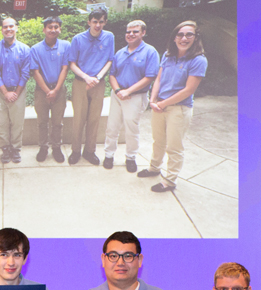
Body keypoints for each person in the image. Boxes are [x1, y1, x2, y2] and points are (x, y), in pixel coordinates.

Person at [139, 20, 207, 193]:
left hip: (179, 109)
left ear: (195, 37)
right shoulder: (168, 55)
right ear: (175, 37)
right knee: (158, 141)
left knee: (174, 147)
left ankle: (170, 181)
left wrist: (162, 103)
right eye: (180, 34)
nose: (184, 38)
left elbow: (188, 90)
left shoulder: (198, 60)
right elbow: (159, 79)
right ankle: (154, 168)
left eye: (189, 34)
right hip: (159, 106)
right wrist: (153, 99)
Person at [103, 20, 159, 173]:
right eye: (128, 31)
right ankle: (108, 155)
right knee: (112, 127)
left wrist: (128, 91)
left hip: (135, 97)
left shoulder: (150, 52)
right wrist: (118, 91)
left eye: (135, 31)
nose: (131, 34)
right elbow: (112, 75)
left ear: (143, 33)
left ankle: (131, 157)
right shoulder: (120, 52)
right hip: (118, 95)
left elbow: (150, 76)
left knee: (131, 129)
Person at [67, 9, 114, 166]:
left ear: (105, 22)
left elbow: (109, 60)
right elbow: (72, 63)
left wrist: (98, 77)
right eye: (95, 21)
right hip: (81, 83)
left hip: (98, 84)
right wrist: (86, 77)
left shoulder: (109, 37)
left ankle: (89, 151)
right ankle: (75, 151)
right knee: (78, 119)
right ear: (89, 22)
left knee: (94, 119)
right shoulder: (78, 39)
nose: (98, 25)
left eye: (101, 21)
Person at [0, 17, 31, 164]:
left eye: (11, 26)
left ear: (16, 28)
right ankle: (5, 149)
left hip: (18, 92)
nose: (8, 29)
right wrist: (5, 92)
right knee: (2, 123)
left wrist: (16, 93)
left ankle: (16, 149)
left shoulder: (25, 49)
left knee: (17, 123)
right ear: (2, 30)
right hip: (0, 92)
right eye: (5, 27)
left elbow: (26, 73)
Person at [30, 16, 70, 163]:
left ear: (60, 29)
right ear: (44, 29)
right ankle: (43, 147)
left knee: (57, 122)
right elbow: (35, 72)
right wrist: (48, 91)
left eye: (56, 27)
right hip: (42, 91)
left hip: (59, 90)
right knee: (42, 122)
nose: (53, 30)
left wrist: (56, 91)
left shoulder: (66, 46)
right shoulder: (35, 49)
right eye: (50, 27)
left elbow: (65, 69)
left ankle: (57, 148)